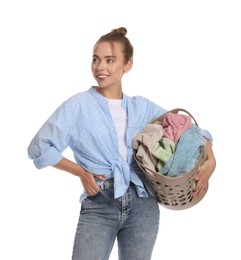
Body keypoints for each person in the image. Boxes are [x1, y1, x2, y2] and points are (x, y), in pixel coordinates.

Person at [27, 27, 216, 260]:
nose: (100, 67)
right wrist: (81, 172)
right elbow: (39, 146)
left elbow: (189, 128)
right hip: (100, 202)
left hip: (143, 203)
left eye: (110, 60)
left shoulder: (142, 107)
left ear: (128, 65)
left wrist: (211, 156)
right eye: (96, 59)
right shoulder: (77, 106)